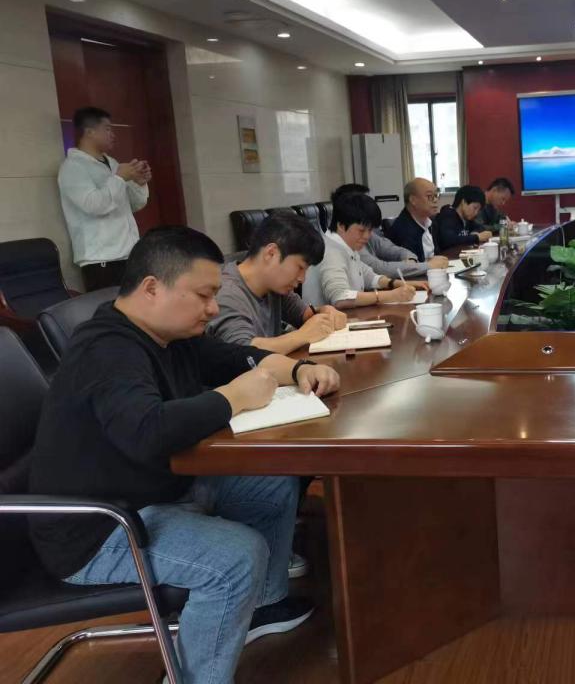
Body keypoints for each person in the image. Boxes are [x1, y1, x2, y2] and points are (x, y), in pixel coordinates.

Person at [28, 226, 341, 683]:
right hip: (97, 528)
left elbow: (237, 357)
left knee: (269, 479)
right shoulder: (107, 349)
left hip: (153, 489)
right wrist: (233, 398)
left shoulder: (168, 335)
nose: (213, 308)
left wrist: (298, 369)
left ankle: (260, 606)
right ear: (152, 287)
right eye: (204, 295)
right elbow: (147, 431)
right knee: (237, 557)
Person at [207, 211, 347, 354]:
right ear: (271, 253)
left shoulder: (274, 286)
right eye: (300, 267)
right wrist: (302, 335)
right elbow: (245, 352)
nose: (302, 279)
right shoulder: (227, 294)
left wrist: (324, 312)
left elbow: (304, 315)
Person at [58, 106, 152, 291]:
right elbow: (95, 206)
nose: (113, 134)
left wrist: (139, 183)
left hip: (128, 253)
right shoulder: (73, 167)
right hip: (102, 260)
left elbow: (134, 204)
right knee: (110, 307)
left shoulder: (113, 163)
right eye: (107, 129)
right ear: (90, 132)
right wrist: (119, 178)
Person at [319, 194, 427, 307]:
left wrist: (397, 284)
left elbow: (368, 276)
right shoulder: (331, 251)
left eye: (370, 230)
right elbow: (340, 298)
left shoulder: (346, 245)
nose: (367, 236)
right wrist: (391, 295)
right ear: (341, 225)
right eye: (361, 231)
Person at [331, 183, 447, 277]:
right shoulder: (342, 242)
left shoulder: (365, 233)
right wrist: (428, 266)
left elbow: (393, 249)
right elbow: (379, 268)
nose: (370, 204)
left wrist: (411, 260)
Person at [387, 177, 441, 261]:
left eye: (436, 195)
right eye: (429, 196)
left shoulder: (431, 223)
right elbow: (413, 265)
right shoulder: (403, 230)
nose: (435, 200)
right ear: (413, 200)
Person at [435, 185, 494, 251]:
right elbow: (448, 240)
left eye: (478, 210)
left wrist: (476, 233)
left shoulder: (466, 219)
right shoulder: (447, 216)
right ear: (463, 202)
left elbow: (480, 228)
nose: (476, 213)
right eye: (475, 208)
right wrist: (476, 237)